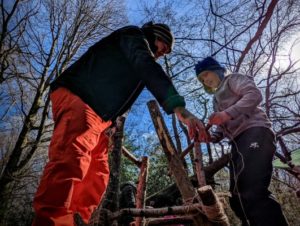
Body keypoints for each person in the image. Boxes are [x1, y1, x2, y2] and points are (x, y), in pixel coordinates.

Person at [32, 22, 208, 226]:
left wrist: (112, 124)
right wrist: (178, 107)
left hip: (101, 118)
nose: (163, 53)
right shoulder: (133, 36)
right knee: (73, 158)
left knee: (98, 174)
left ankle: (77, 219)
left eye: (167, 52)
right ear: (154, 35)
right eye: (163, 46)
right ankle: (52, 220)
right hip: (81, 96)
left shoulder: (136, 60)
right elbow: (145, 64)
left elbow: (124, 88)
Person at [195, 57, 289, 226]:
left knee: (251, 188)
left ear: (216, 69)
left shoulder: (233, 79)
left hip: (255, 132)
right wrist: (211, 137)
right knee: (237, 195)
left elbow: (254, 95)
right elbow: (221, 127)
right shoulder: (215, 99)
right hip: (237, 144)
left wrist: (226, 114)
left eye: (206, 74)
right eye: (202, 79)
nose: (205, 80)